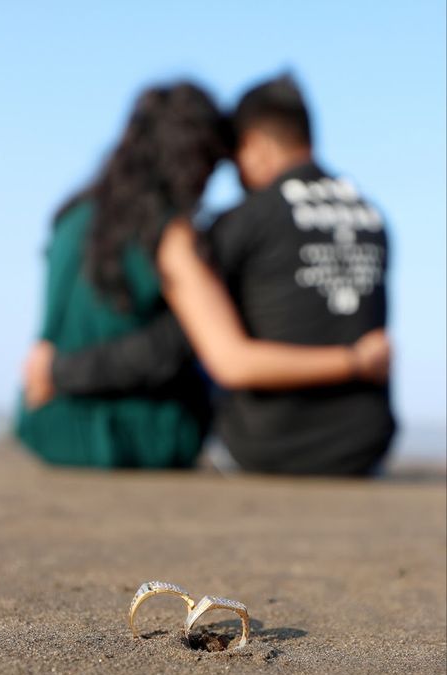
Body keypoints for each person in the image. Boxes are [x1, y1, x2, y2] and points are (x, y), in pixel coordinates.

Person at [19, 80, 391, 470]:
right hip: (141, 433)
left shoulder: (70, 217)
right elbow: (218, 357)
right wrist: (355, 361)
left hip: (43, 418)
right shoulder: (175, 235)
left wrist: (52, 371)